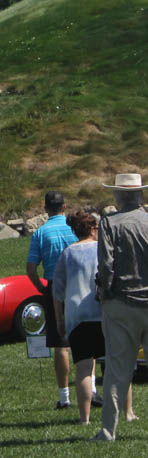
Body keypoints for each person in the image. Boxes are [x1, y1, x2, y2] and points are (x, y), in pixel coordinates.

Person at [93, 172, 148, 443]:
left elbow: (105, 263)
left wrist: (104, 291)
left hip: (121, 302)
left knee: (117, 369)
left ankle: (108, 430)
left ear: (117, 195)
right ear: (139, 195)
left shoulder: (109, 223)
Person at [52, 210, 120, 426]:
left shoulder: (67, 254)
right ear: (92, 229)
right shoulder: (103, 250)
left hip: (77, 318)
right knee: (112, 366)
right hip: (104, 313)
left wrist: (59, 319)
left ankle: (85, 418)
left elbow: (58, 291)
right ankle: (118, 411)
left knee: (83, 369)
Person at [26, 189, 76, 408]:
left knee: (60, 345)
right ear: (64, 207)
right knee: (86, 339)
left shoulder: (40, 233)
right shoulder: (76, 227)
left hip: (54, 287)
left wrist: (42, 288)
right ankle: (91, 389)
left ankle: (64, 397)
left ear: (45, 209)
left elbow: (30, 268)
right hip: (79, 285)